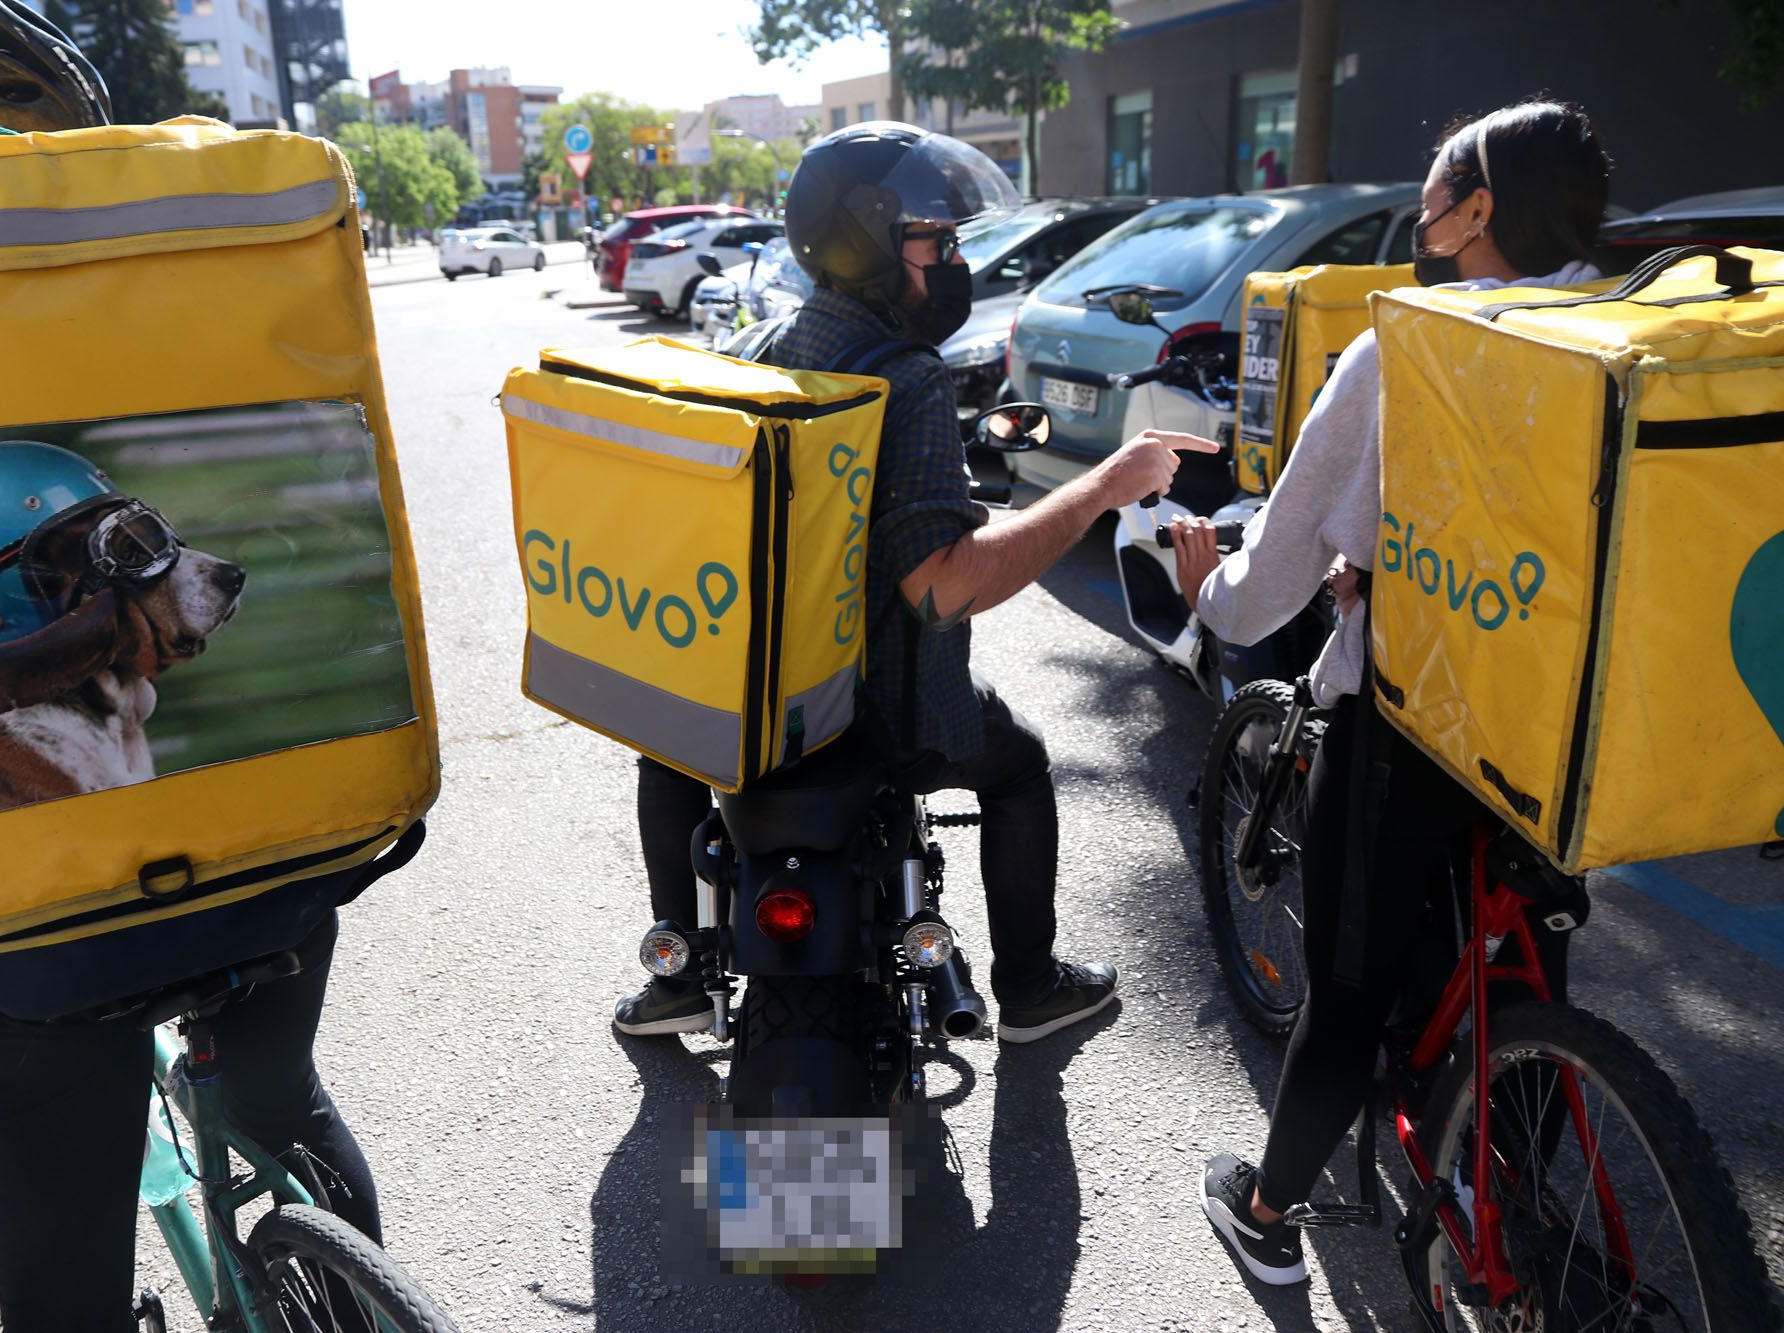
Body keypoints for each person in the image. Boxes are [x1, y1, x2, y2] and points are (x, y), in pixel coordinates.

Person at [0, 3, 398, 1327]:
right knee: (280, 1093)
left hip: (30, 950)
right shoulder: (171, 238)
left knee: (63, 1301)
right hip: (276, 872)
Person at [615, 121, 1216, 1045]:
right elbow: (941, 588)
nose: (952, 261)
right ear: (869, 240)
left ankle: (681, 975)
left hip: (750, 696)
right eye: (935, 242)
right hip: (881, 713)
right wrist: (1108, 484)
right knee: (1018, 767)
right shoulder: (907, 378)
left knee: (666, 752)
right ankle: (1029, 985)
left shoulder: (754, 346)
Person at [1169, 100, 1610, 1285]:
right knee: (1520, 958)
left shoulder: (1405, 344)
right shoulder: (1628, 334)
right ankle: (1505, 1174)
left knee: (1349, 982)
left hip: (1416, 720)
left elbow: (1274, 575)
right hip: (1571, 727)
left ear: (1477, 210)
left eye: (1436, 189)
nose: (1420, 209)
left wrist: (1209, 598)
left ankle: (1267, 1217)